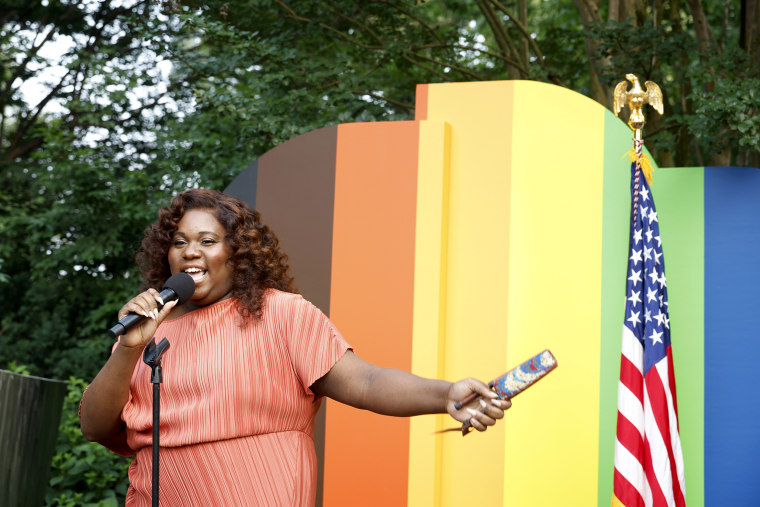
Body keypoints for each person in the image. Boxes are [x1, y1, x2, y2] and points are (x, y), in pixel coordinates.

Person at [79, 188, 510, 506]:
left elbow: (366, 382)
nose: (190, 252)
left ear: (236, 251)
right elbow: (97, 427)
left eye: (207, 241)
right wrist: (131, 347)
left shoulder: (281, 314)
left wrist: (444, 393)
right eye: (179, 242)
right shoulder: (148, 329)